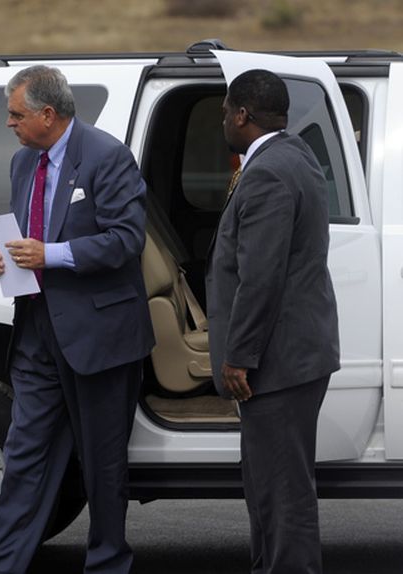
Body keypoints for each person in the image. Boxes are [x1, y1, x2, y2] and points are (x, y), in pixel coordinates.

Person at [0, 65, 154, 574]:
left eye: (16, 115)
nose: (9, 124)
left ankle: (107, 563)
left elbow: (127, 240)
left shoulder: (106, 156)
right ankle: (1, 567)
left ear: (47, 115)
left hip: (98, 338)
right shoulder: (20, 163)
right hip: (36, 332)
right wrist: (2, 259)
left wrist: (50, 255)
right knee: (23, 458)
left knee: (103, 467)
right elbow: (25, 236)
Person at [206, 69, 340, 574]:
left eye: (224, 111)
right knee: (268, 486)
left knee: (283, 495)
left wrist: (240, 356)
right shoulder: (296, 155)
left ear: (243, 115)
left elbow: (260, 278)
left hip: (277, 362)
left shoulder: (267, 172)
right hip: (294, 355)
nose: (222, 119)